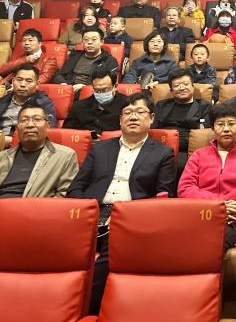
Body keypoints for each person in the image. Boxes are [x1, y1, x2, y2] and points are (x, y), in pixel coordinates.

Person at [68, 92, 176, 314]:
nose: (133, 117)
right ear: (120, 120)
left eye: (139, 112)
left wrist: (128, 215)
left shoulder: (163, 153)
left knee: (105, 261)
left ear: (151, 118)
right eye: (127, 112)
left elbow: (164, 196)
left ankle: (88, 313)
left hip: (129, 218)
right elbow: (76, 188)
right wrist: (87, 212)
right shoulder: (100, 149)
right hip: (93, 213)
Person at [0, 103, 79, 245]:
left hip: (32, 221)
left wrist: (30, 214)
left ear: (48, 126)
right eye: (24, 120)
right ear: (17, 128)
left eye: (37, 119)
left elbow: (64, 196)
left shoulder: (64, 156)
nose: (30, 125)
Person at [178, 103, 236, 248]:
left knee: (210, 243)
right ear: (212, 128)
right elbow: (185, 188)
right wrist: (218, 205)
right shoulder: (199, 155)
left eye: (231, 124)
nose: (226, 129)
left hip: (235, 219)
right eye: (220, 124)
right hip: (202, 214)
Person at [153, 69, 212, 167]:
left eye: (186, 84)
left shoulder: (204, 106)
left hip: (189, 150)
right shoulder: (161, 105)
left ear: (193, 86)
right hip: (162, 147)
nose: (182, 88)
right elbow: (153, 129)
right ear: (171, 91)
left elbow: (205, 134)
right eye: (176, 85)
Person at [0, 64, 56, 146]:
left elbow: (48, 130)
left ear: (37, 84)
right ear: (12, 81)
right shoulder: (2, 101)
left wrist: (11, 141)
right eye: (19, 80)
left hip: (28, 146)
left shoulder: (43, 103)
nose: (22, 84)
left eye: (28, 81)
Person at [63, 68, 129, 136]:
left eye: (105, 90)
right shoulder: (78, 107)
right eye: (97, 90)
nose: (101, 93)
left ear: (115, 87)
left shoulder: (127, 105)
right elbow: (66, 134)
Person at [53, 28, 119, 93]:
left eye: (94, 39)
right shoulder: (74, 56)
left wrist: (85, 87)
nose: (89, 42)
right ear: (82, 43)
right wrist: (63, 83)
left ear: (101, 42)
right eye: (86, 40)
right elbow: (59, 75)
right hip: (69, 89)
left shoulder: (109, 60)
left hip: (91, 92)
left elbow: (109, 83)